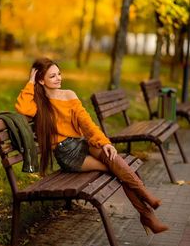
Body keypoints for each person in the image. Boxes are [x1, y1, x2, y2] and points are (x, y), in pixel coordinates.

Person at [15, 57, 169, 235]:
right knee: (115, 168)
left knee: (111, 156)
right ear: (41, 80)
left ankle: (145, 204)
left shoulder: (69, 94)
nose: (58, 78)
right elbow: (23, 109)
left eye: (59, 74)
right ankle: (146, 209)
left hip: (80, 143)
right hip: (67, 154)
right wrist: (30, 83)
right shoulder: (38, 103)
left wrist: (105, 143)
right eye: (52, 76)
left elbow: (86, 123)